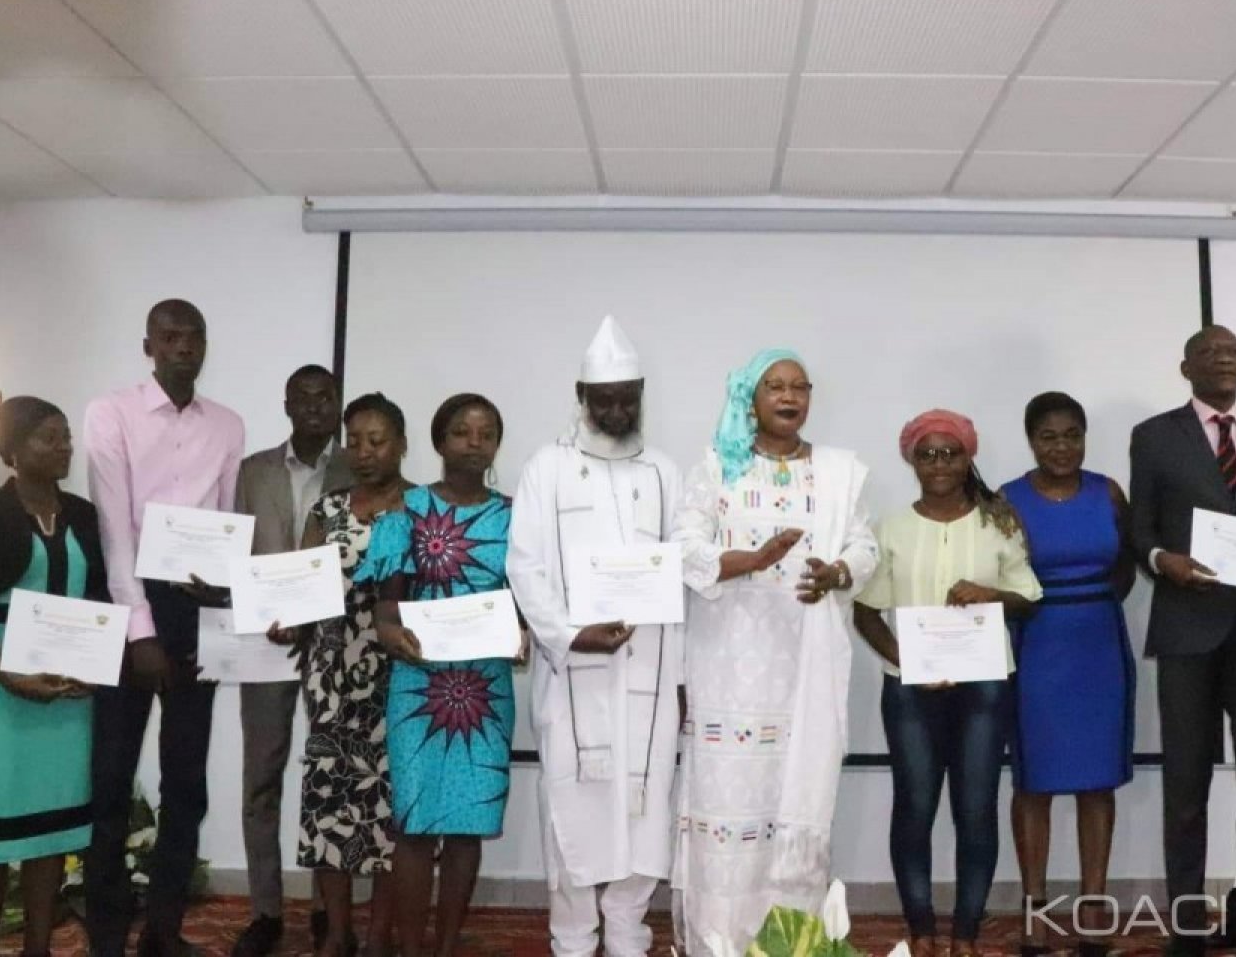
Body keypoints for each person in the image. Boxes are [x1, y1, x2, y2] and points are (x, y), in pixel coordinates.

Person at [672, 349, 878, 955]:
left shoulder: (840, 471)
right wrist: (753, 562)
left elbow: (864, 547)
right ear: (750, 399)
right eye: (774, 387)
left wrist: (838, 571)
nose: (789, 398)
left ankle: (788, 943)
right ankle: (721, 942)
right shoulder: (718, 468)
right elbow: (685, 548)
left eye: (799, 387)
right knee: (727, 803)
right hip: (727, 663)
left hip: (806, 666)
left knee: (796, 799)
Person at [507, 317, 683, 957]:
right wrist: (569, 634)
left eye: (628, 397)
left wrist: (682, 680)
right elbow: (523, 565)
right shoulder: (545, 469)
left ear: (640, 394)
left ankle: (630, 934)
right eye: (604, 398)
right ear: (581, 397)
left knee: (644, 810)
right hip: (573, 673)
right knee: (572, 812)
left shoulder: (664, 471)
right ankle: (574, 938)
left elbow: (680, 567)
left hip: (650, 673)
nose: (617, 410)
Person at [83, 299, 245, 957]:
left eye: (193, 336)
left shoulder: (228, 424)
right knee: (111, 781)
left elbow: (230, 518)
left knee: (186, 784)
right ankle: (104, 936)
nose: (182, 346)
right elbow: (115, 528)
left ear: (205, 344)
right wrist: (139, 631)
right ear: (148, 346)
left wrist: (226, 585)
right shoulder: (110, 412)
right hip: (131, 606)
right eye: (169, 336)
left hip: (196, 611)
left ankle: (164, 931)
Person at [1128, 325, 1236, 957]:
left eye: (1233, 352)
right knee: (1186, 789)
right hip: (1187, 632)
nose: (1224, 360)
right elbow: (1140, 526)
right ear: (1185, 367)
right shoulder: (1154, 435)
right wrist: (1158, 557)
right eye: (1210, 353)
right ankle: (1188, 926)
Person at [854, 409, 1043, 957]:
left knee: (977, 808)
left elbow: (1029, 598)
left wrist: (991, 594)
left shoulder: (999, 521)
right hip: (911, 691)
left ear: (968, 458)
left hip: (985, 689)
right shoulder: (890, 527)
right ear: (911, 459)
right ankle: (921, 931)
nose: (939, 464)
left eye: (951, 453)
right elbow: (866, 613)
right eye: (927, 454)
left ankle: (964, 936)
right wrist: (908, 660)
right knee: (913, 807)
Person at [356, 393, 519, 957]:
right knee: (416, 825)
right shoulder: (407, 512)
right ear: (439, 441)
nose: (474, 442)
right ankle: (408, 947)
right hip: (418, 683)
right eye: (461, 432)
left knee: (468, 824)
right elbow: (384, 612)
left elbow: (524, 602)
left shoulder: (515, 517)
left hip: (485, 689)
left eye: (486, 433)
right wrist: (390, 633)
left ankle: (447, 945)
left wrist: (519, 631)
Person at [0, 398, 110, 957]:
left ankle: (37, 948)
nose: (64, 447)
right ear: (13, 447)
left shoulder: (83, 513)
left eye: (66, 436)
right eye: (48, 438)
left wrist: (98, 667)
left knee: (50, 834)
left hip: (69, 700)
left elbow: (98, 599)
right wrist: (8, 676)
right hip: (1, 697)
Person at [273, 393, 410, 957]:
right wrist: (287, 625)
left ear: (401, 444)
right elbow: (301, 591)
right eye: (354, 440)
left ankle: (378, 937)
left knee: (385, 811)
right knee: (328, 805)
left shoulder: (420, 509)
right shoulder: (326, 510)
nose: (364, 451)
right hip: (331, 677)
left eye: (376, 440)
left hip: (399, 677)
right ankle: (337, 933)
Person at [1001, 392, 1134, 957]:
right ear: (1032, 440)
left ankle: (1093, 908)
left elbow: (1129, 561)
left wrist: (1100, 601)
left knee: (1097, 780)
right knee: (1035, 781)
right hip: (1038, 645)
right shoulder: (1006, 499)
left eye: (1073, 434)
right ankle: (1034, 908)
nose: (1062, 447)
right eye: (1050, 436)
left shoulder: (1108, 491)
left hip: (1099, 642)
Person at [231, 365, 351, 957]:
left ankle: (332, 912)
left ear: (337, 405)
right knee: (261, 779)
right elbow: (234, 550)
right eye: (301, 398)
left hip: (336, 644)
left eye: (324, 397)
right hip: (263, 644)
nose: (312, 407)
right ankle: (265, 912)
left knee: (334, 779)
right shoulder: (252, 471)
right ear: (285, 405)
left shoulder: (358, 469)